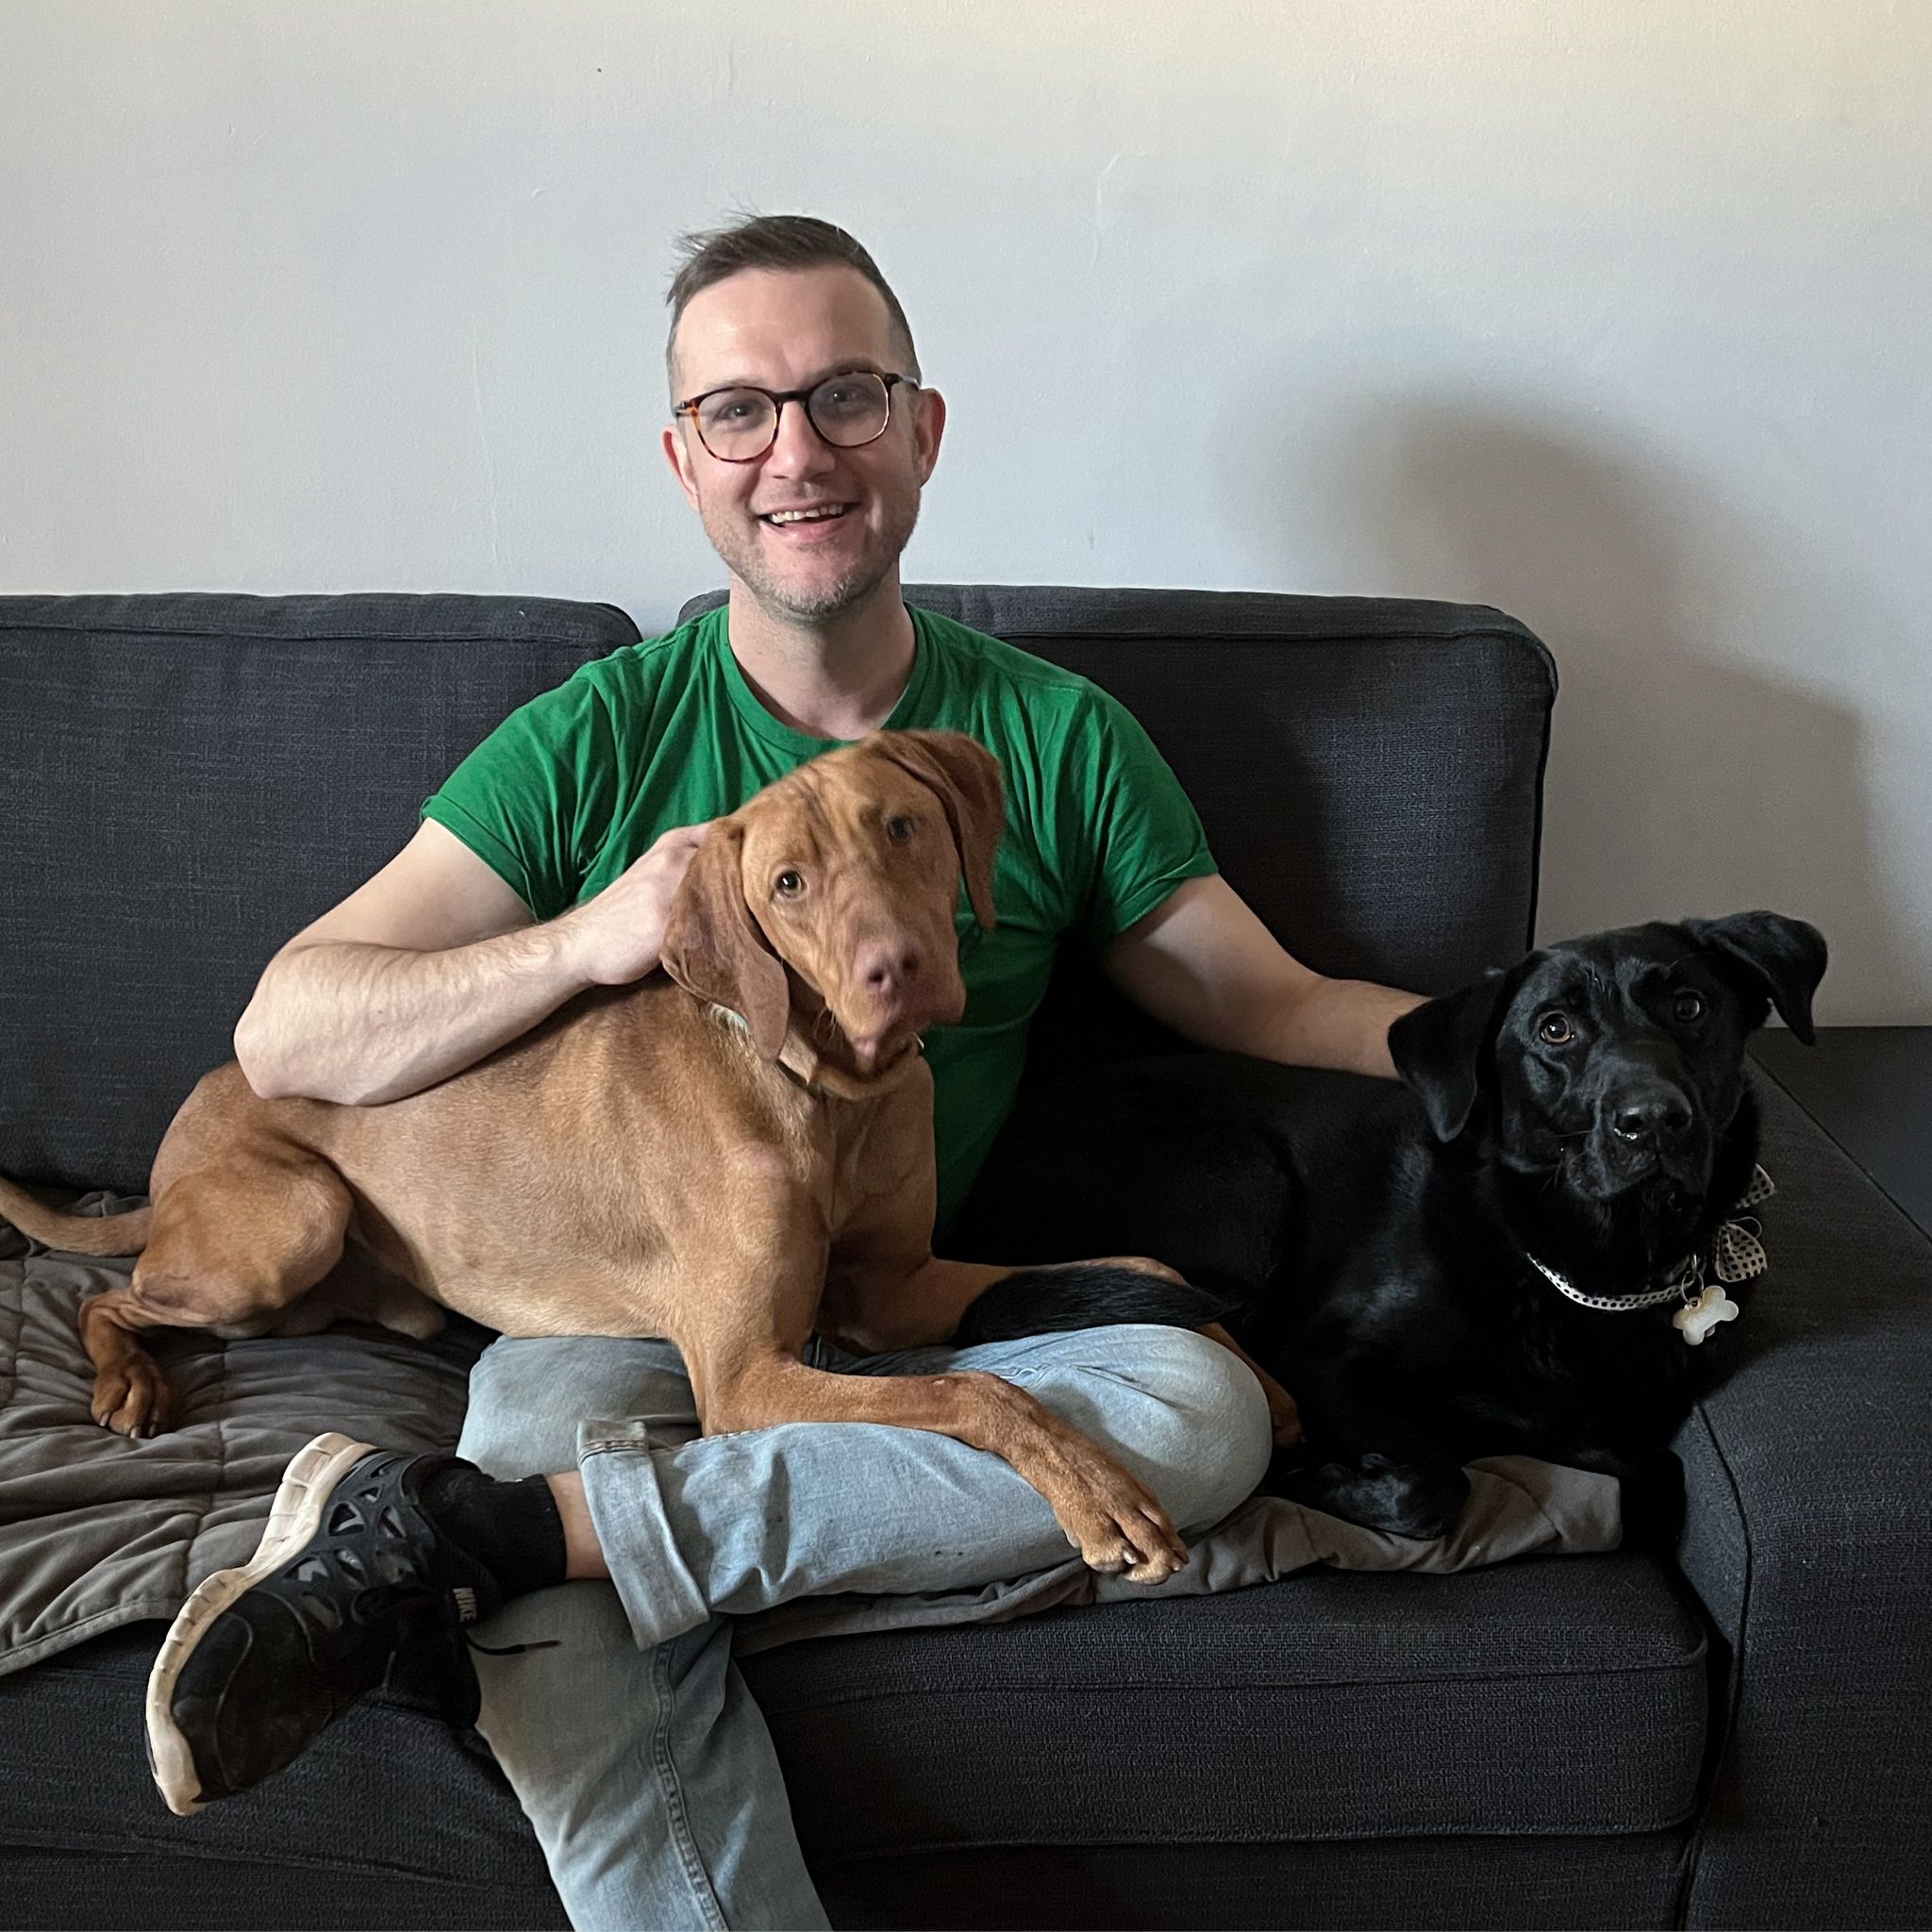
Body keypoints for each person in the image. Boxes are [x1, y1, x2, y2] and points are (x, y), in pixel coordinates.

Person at [153, 215, 1424, 1929]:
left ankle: (473, 1535)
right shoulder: (594, 735)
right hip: (589, 1325)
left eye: (844, 394)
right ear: (685, 462)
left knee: (1198, 1413)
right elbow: (286, 1033)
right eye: (740, 412)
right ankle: (531, 1531)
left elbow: (1269, 1001)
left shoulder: (1045, 740)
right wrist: (597, 935)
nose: (799, 452)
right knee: (553, 1435)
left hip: (860, 1294)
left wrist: (1523, 1040)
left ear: (921, 426)